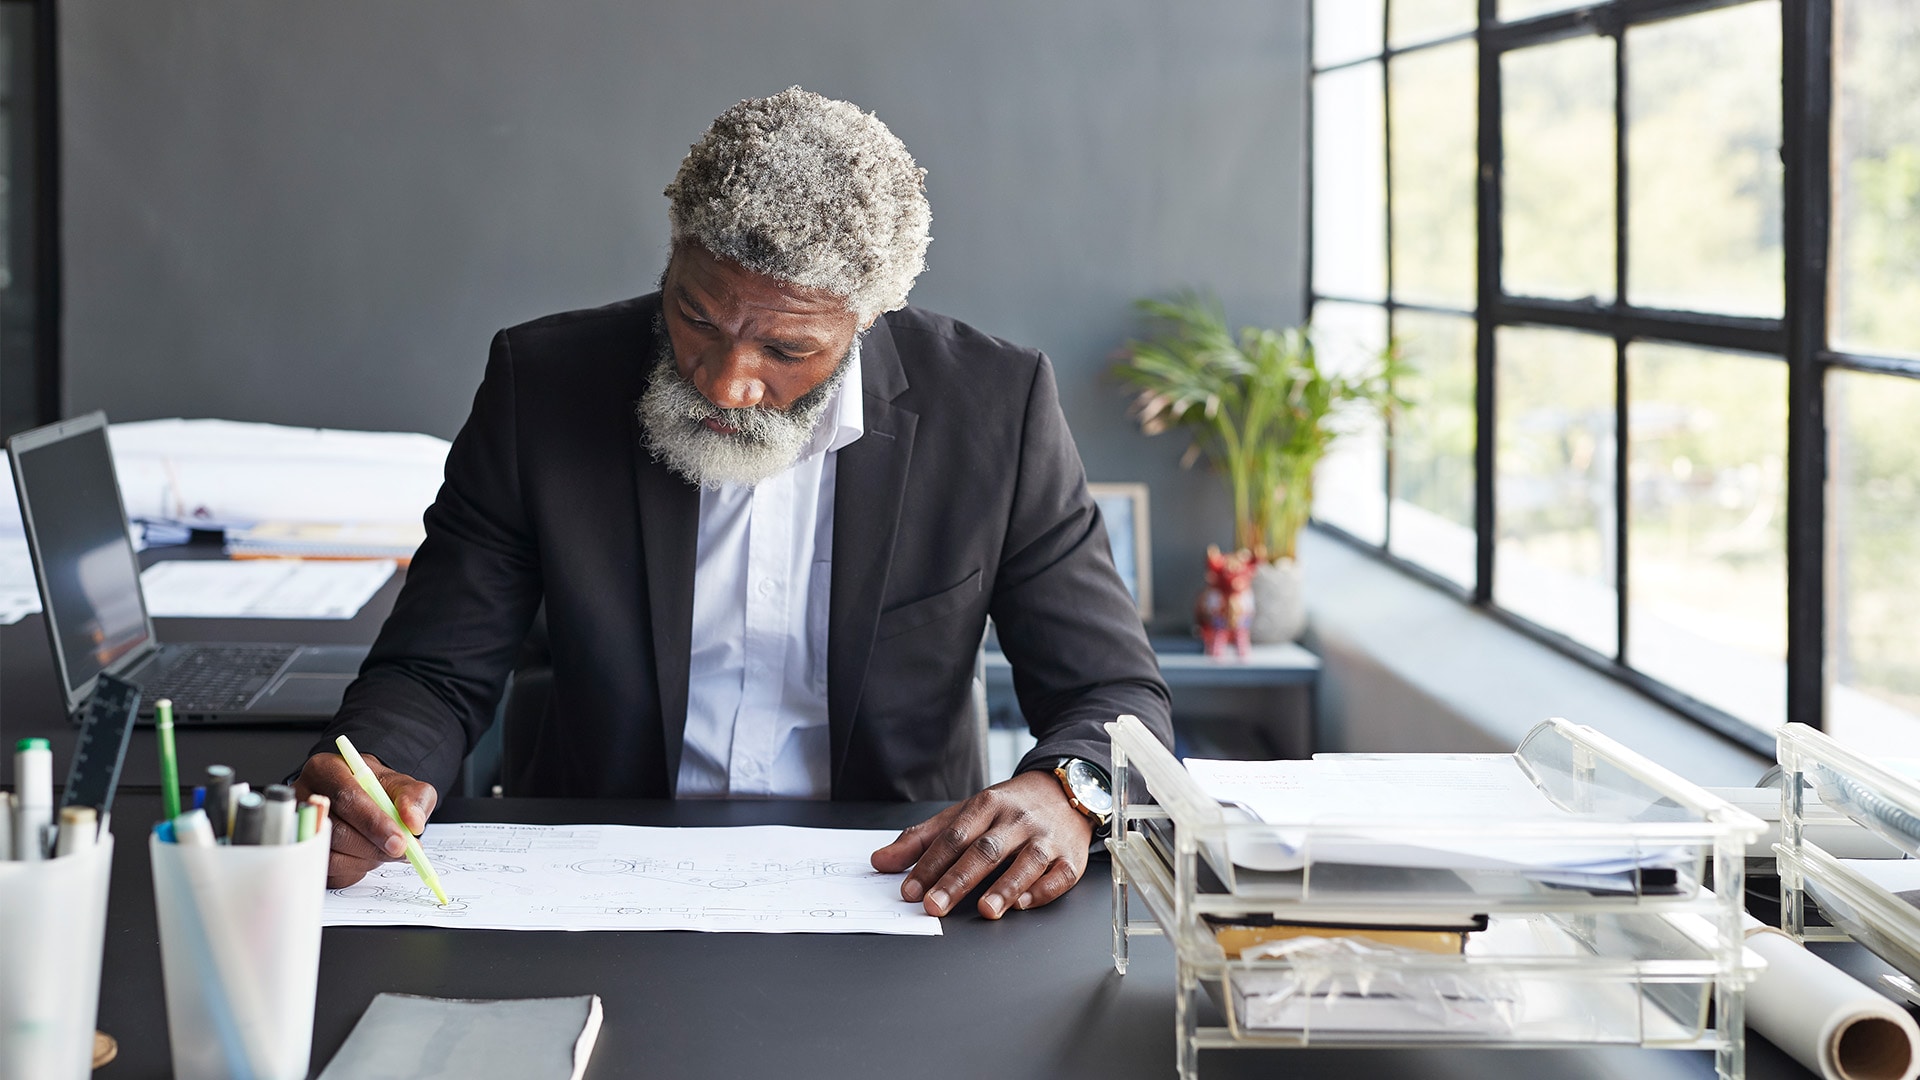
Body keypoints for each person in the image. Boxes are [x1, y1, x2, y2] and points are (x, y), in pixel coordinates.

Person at [295, 87, 1172, 920]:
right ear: (673, 255)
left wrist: (1071, 791)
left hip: (895, 880)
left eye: (787, 347)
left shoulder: (994, 409)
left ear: (866, 321)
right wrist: (374, 774)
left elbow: (1112, 691)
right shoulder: (543, 386)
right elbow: (432, 670)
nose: (726, 381)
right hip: (596, 874)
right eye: (696, 317)